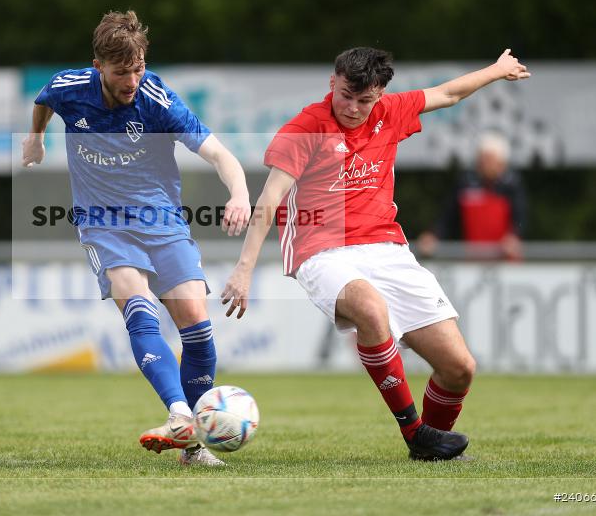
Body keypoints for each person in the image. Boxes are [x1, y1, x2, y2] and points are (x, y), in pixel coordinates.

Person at [222, 48, 530, 460]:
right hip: (321, 250)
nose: (352, 108)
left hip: (387, 248)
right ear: (333, 82)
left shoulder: (392, 111)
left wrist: (497, 70)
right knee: (370, 308)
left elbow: (448, 94)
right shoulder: (305, 128)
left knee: (459, 369)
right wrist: (244, 271)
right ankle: (414, 431)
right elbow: (269, 200)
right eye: (346, 95)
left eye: (364, 100)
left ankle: (430, 447)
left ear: (380, 94)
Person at [22, 11, 250, 467]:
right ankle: (182, 415)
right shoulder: (70, 87)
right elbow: (43, 100)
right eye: (121, 71)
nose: (131, 79)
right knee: (138, 304)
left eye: (138, 67)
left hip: (162, 220)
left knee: (196, 324)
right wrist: (36, 139)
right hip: (103, 224)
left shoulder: (156, 98)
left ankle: (190, 446)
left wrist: (240, 192)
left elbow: (219, 153)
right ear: (98, 66)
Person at [417, 131, 528, 260]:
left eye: (489, 159)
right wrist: (433, 235)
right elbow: (448, 216)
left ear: (501, 163)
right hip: (472, 260)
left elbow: (521, 217)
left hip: (505, 258)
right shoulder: (465, 183)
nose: (484, 163)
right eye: (482, 159)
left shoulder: (512, 185)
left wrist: (514, 236)